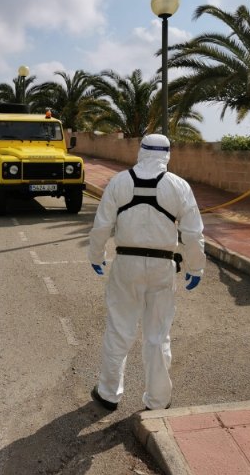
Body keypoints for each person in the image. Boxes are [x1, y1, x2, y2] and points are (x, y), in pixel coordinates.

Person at [88, 133, 206, 412]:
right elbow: (193, 233)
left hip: (125, 265)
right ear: (167, 154)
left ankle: (108, 394)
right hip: (162, 267)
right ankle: (158, 400)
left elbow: (102, 225)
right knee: (158, 335)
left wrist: (96, 255)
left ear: (140, 151)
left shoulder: (119, 182)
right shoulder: (178, 186)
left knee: (119, 329)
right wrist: (196, 267)